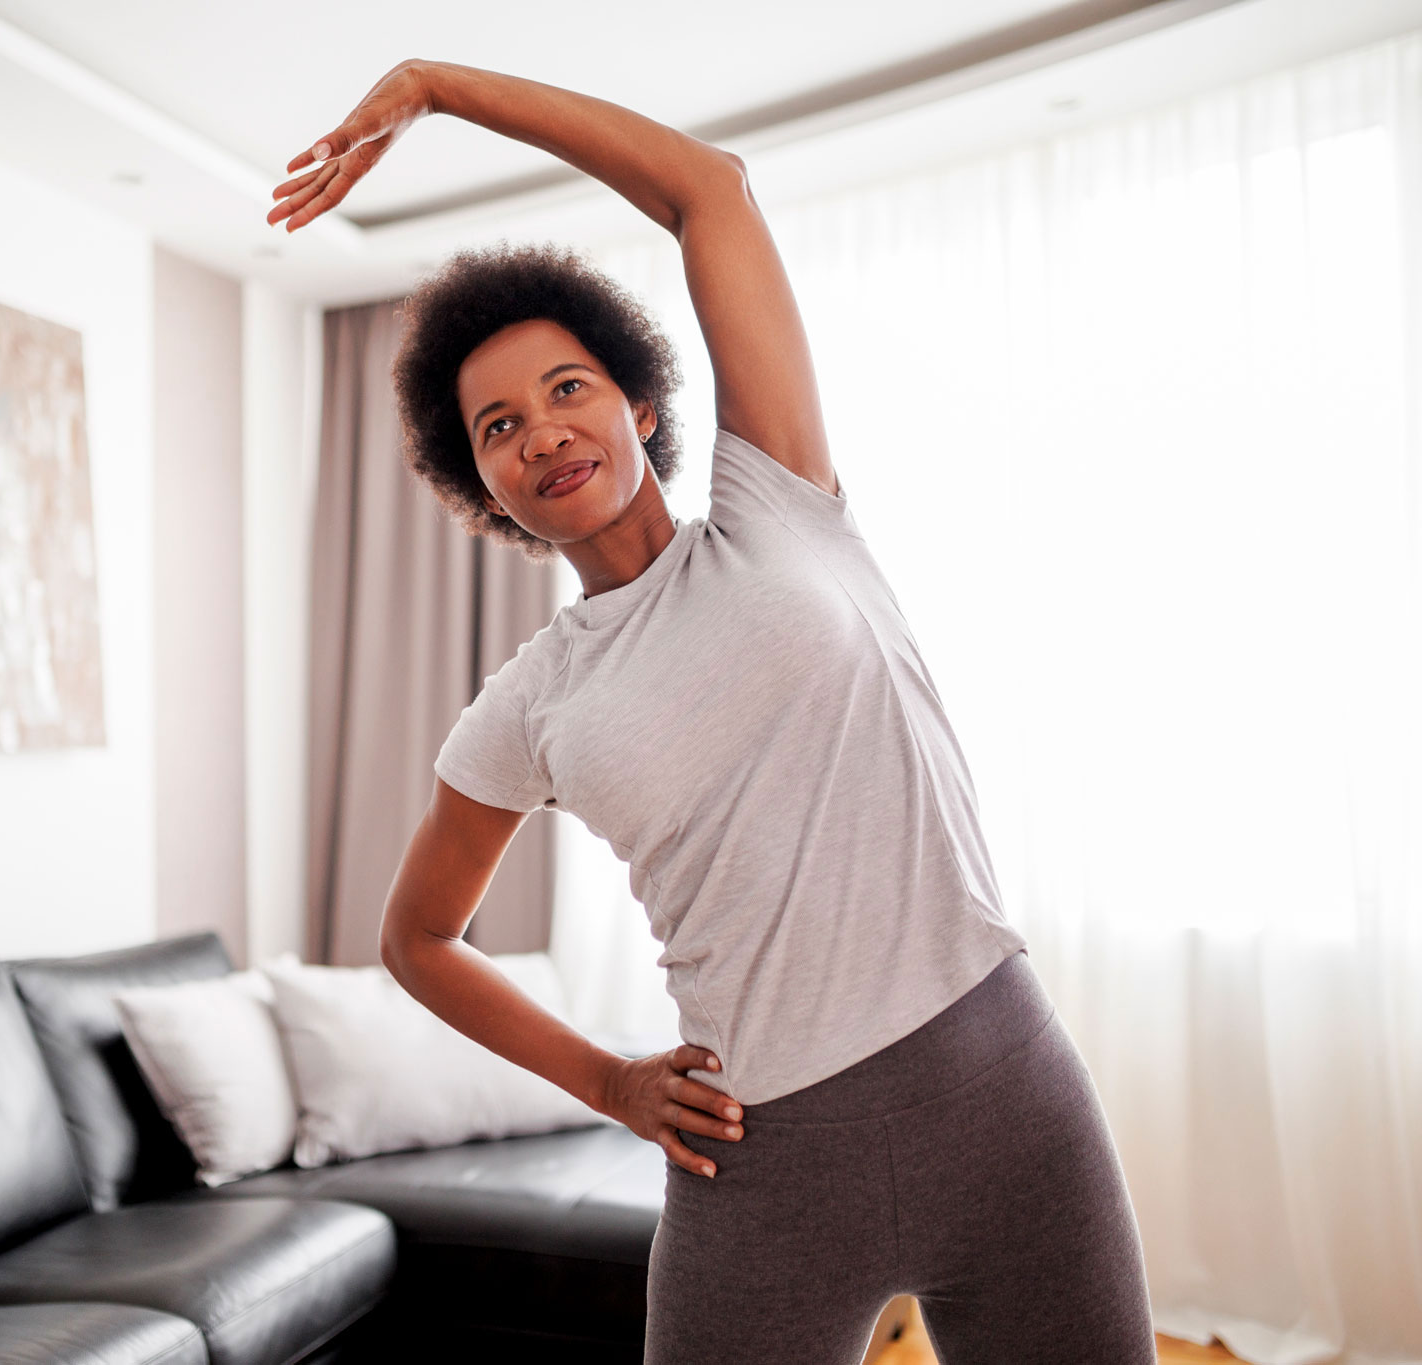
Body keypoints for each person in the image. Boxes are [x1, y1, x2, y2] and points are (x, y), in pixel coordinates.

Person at [268, 60, 1157, 1364]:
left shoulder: (778, 499)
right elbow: (417, 938)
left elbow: (708, 190)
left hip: (999, 1094)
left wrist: (437, 91)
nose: (541, 432)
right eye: (498, 427)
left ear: (636, 401)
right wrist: (607, 1082)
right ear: (488, 490)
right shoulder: (532, 699)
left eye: (566, 388)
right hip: (762, 1155)